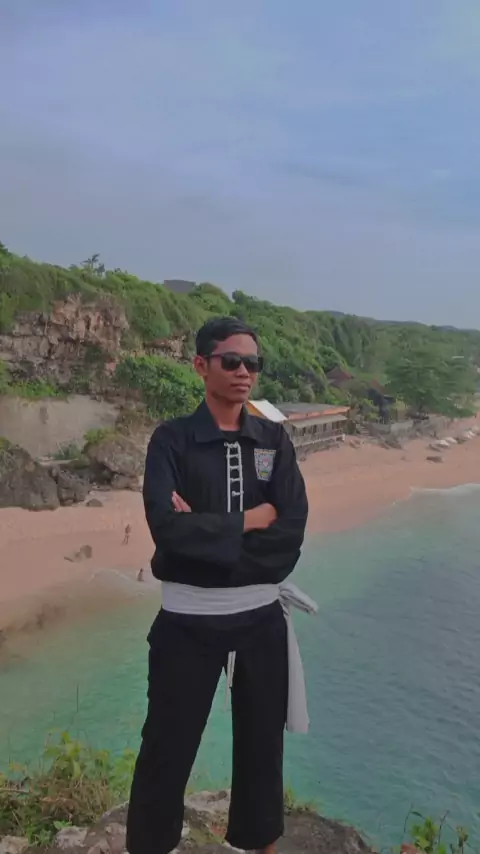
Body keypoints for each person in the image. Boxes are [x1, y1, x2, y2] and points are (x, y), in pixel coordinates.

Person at [127, 317, 311, 854]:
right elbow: (166, 528)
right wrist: (250, 520)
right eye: (231, 361)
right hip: (187, 621)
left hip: (260, 620)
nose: (243, 372)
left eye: (253, 363)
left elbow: (290, 532)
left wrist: (205, 536)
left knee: (261, 747)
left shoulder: (273, 440)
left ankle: (258, 844)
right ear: (200, 365)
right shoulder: (173, 440)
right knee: (167, 744)